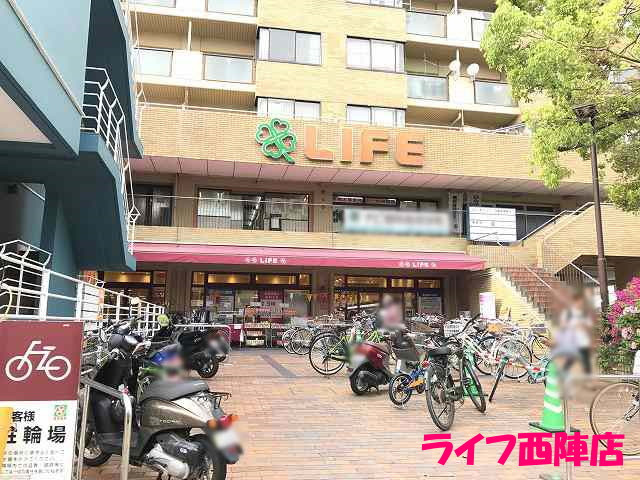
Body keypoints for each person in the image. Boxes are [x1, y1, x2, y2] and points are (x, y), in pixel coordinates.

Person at [554, 291, 593, 374]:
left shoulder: (584, 313)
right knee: (570, 360)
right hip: (572, 341)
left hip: (583, 340)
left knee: (585, 361)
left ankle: (587, 377)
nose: (580, 304)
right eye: (578, 302)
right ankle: (562, 374)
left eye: (582, 302)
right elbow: (562, 325)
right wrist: (573, 326)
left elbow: (589, 326)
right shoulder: (568, 313)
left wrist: (583, 326)